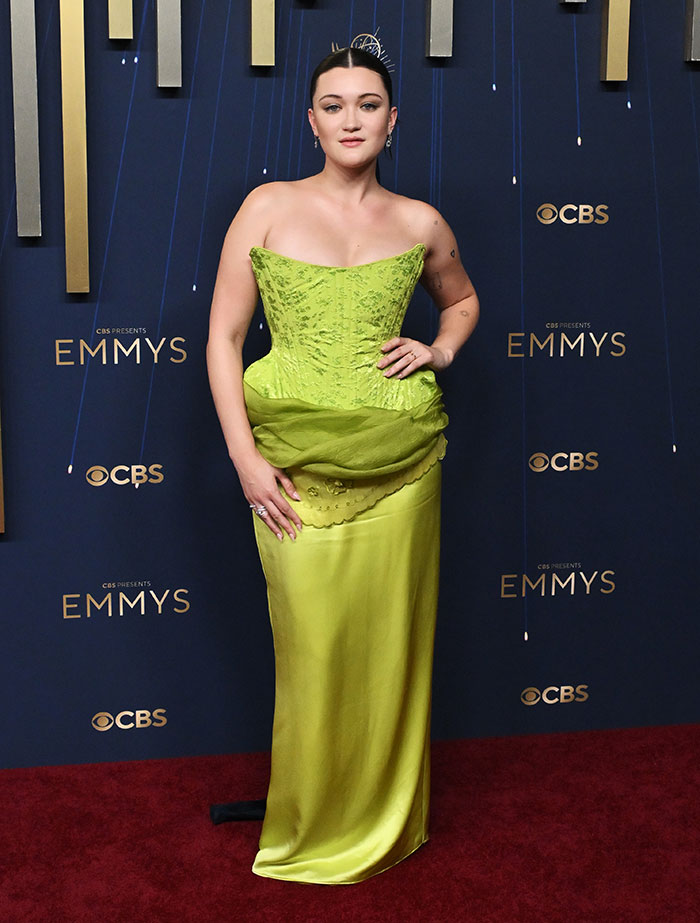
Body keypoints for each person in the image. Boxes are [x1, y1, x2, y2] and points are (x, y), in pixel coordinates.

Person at [206, 45, 479, 884]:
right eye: (334, 104)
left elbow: (462, 301)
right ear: (312, 120)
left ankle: (386, 821)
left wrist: (437, 348)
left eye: (369, 104)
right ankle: (310, 820)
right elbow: (219, 339)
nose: (352, 119)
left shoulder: (421, 221)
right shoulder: (266, 207)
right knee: (315, 648)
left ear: (392, 122)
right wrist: (246, 460)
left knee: (392, 647)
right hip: (289, 466)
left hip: (403, 461)